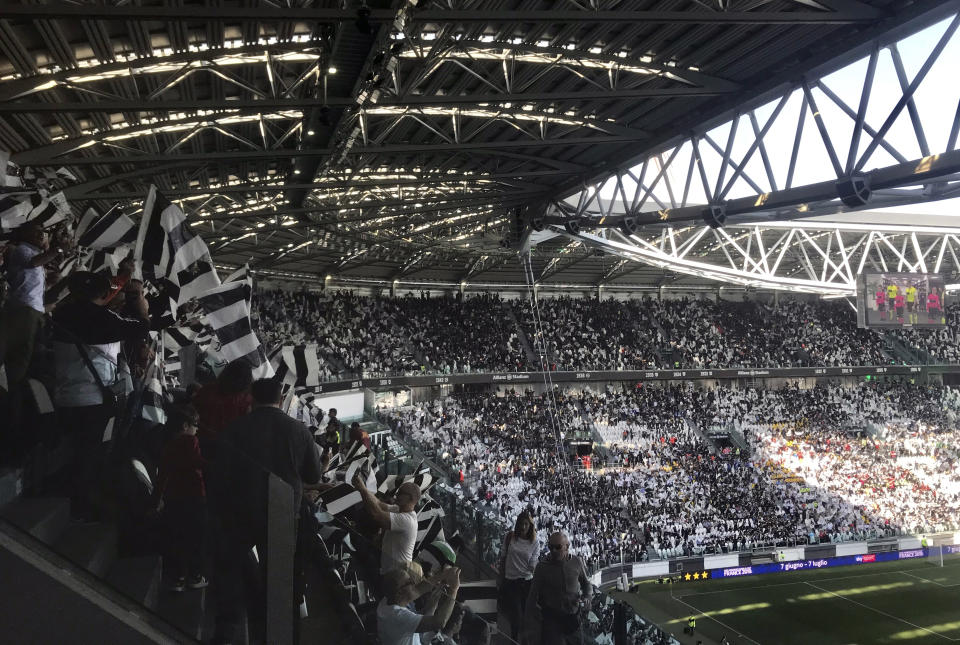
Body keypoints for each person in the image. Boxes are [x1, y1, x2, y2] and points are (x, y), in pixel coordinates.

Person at [208, 377, 322, 644]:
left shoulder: (235, 428)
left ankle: (234, 626)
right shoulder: (298, 430)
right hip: (282, 512)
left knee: (236, 568)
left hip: (239, 512)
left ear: (251, 397)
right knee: (280, 576)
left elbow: (221, 473)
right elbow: (313, 474)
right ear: (280, 399)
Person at [51, 271, 151, 518]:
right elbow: (142, 327)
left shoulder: (61, 314)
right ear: (106, 294)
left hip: (63, 395)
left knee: (71, 449)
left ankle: (64, 494)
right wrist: (141, 305)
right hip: (94, 400)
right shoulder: (106, 320)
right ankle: (80, 504)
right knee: (90, 453)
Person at [0, 221, 69, 385]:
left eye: (43, 232)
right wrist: (59, 248)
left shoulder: (35, 254)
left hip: (34, 313)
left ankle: (11, 391)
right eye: (36, 231)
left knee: (25, 358)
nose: (41, 234)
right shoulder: (21, 250)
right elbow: (34, 262)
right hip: (23, 312)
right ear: (24, 235)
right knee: (17, 356)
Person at [156, 404, 208, 592]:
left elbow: (163, 475)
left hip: (174, 497)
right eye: (195, 424)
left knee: (177, 538)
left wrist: (157, 499)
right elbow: (196, 462)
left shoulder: (167, 444)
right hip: (195, 495)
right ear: (185, 425)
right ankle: (195, 576)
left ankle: (177, 578)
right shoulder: (190, 441)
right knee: (196, 538)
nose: (197, 429)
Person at [526, 531, 591, 645]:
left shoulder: (576, 561)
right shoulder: (542, 567)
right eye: (550, 547)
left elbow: (586, 584)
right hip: (552, 620)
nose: (553, 551)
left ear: (567, 547)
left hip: (574, 618)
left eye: (558, 547)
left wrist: (587, 597)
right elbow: (532, 595)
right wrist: (529, 624)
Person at [353, 471, 420, 574]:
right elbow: (379, 504)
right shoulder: (398, 509)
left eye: (401, 493)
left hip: (396, 576)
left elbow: (377, 514)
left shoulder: (408, 521)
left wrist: (362, 489)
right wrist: (364, 488)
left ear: (410, 498)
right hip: (388, 570)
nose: (397, 494)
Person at [377, 564, 461, 645]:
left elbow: (418, 589)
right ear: (400, 592)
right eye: (409, 582)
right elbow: (440, 622)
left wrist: (444, 575)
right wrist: (454, 589)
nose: (414, 582)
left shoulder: (388, 600)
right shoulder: (398, 616)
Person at [192, 358, 254, 458]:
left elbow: (192, 413)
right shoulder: (247, 402)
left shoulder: (207, 390)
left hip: (199, 443)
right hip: (225, 452)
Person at [499, 511, 540, 642]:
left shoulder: (535, 543)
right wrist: (500, 577)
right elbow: (503, 557)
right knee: (516, 615)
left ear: (530, 526)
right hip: (511, 581)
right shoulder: (510, 537)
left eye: (526, 524)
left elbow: (533, 565)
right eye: (521, 524)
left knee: (526, 616)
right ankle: (515, 639)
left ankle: (524, 639)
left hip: (527, 582)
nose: (523, 527)